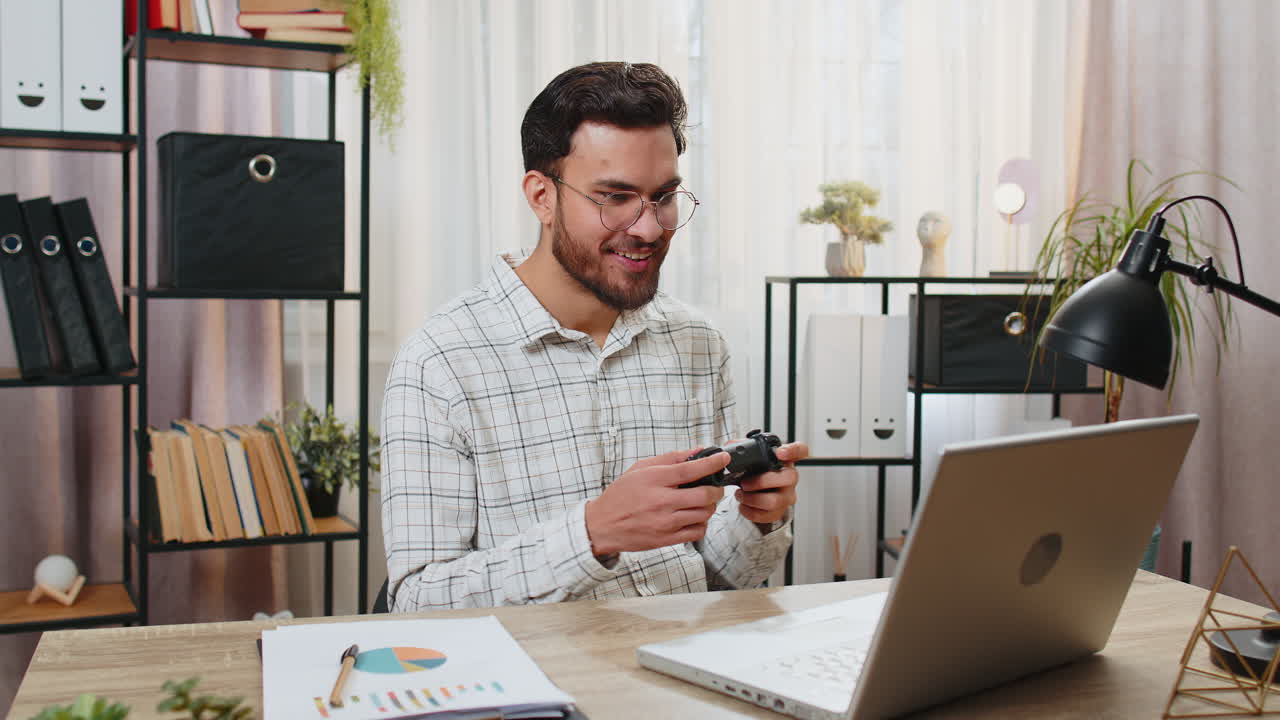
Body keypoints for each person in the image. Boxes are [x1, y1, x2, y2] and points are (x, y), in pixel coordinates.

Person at [381, 61, 808, 612]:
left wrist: (759, 521)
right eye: (614, 197)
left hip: (683, 669)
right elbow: (417, 604)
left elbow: (719, 582)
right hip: (538, 685)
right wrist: (592, 533)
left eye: (664, 197)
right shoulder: (440, 363)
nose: (649, 227)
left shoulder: (698, 344)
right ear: (541, 196)